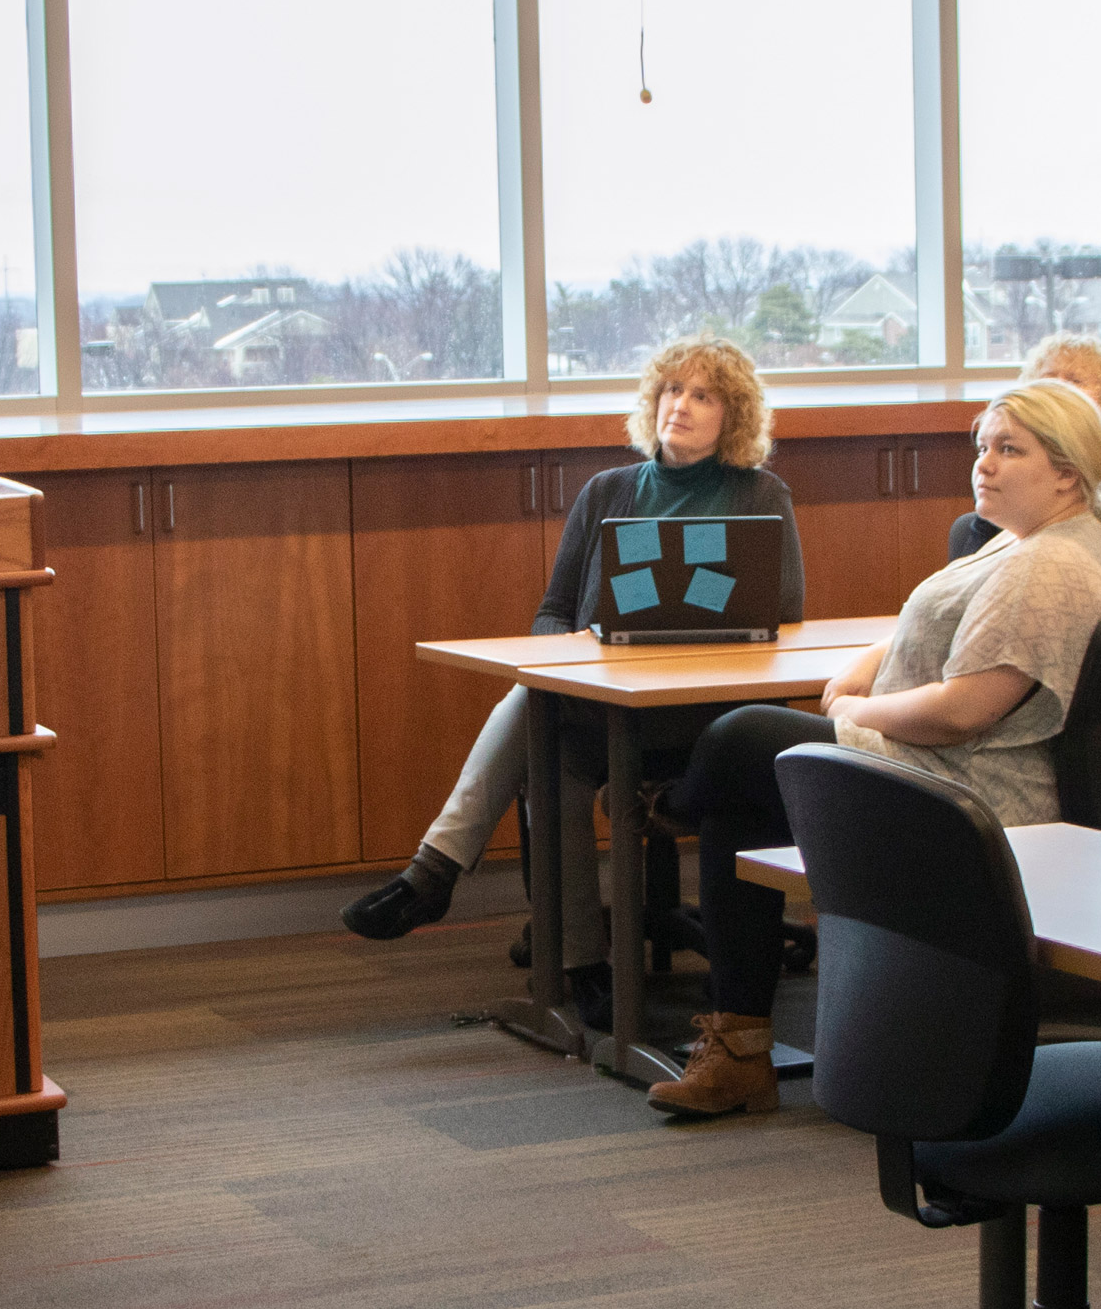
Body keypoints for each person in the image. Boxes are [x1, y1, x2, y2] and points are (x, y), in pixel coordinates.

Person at [656, 378, 1101, 1121]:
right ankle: (740, 1044)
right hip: (946, 767)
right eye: (983, 446)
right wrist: (865, 665)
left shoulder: (1051, 569)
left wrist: (859, 707)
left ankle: (663, 811)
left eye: (1009, 450)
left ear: (1066, 473)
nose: (985, 464)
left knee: (742, 739)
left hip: (968, 790)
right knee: (741, 797)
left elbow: (962, 712)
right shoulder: (1025, 543)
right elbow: (934, 625)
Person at [337, 340, 802, 1027]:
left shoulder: (760, 495)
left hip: (703, 718)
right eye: (672, 389)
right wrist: (571, 654)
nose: (681, 404)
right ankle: (585, 969)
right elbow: (554, 609)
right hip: (598, 705)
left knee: (535, 712)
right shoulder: (608, 492)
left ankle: (438, 875)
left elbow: (783, 616)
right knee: (550, 739)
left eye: (703, 395)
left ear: (732, 416)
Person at [949, 334, 1101, 553]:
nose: (1059, 389)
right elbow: (973, 569)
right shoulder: (1010, 467)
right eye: (1048, 379)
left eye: (1075, 380)